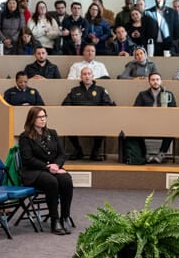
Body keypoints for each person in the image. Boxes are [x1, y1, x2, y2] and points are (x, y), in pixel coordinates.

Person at [18, 106, 73, 235]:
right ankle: (55, 220)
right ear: (32, 119)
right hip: (34, 171)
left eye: (44, 117)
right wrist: (49, 167)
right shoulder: (25, 137)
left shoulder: (52, 133)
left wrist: (57, 166)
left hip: (53, 169)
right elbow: (28, 159)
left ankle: (65, 217)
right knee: (51, 182)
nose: (43, 120)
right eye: (39, 117)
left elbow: (62, 154)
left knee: (66, 180)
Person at [61, 67, 116, 162]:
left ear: (93, 76)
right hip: (77, 119)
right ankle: (78, 150)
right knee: (67, 125)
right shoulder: (74, 90)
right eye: (84, 74)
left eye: (89, 74)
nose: (87, 76)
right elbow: (65, 104)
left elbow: (107, 104)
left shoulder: (101, 90)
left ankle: (95, 151)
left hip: (96, 119)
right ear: (81, 77)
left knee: (103, 125)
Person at [134, 72, 177, 163]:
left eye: (157, 79)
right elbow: (135, 109)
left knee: (172, 130)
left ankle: (161, 154)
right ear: (149, 82)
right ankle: (145, 154)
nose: (155, 82)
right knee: (135, 130)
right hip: (146, 122)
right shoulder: (142, 94)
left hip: (164, 122)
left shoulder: (168, 94)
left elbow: (174, 110)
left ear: (161, 81)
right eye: (153, 80)